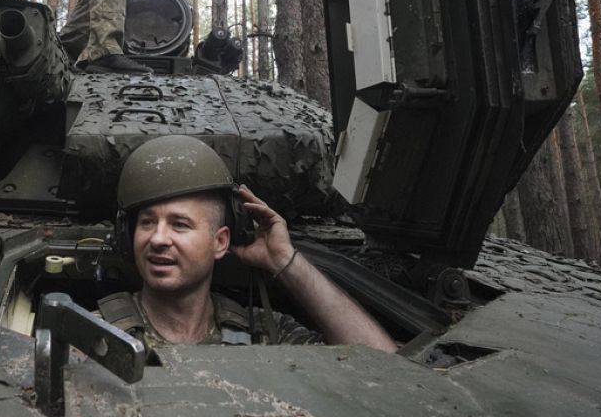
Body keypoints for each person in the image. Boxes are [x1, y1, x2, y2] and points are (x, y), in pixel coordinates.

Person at [102, 135, 397, 352]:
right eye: (147, 222)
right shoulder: (95, 334)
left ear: (220, 242)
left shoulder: (264, 333)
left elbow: (384, 368)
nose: (157, 239)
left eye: (180, 225)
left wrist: (285, 260)